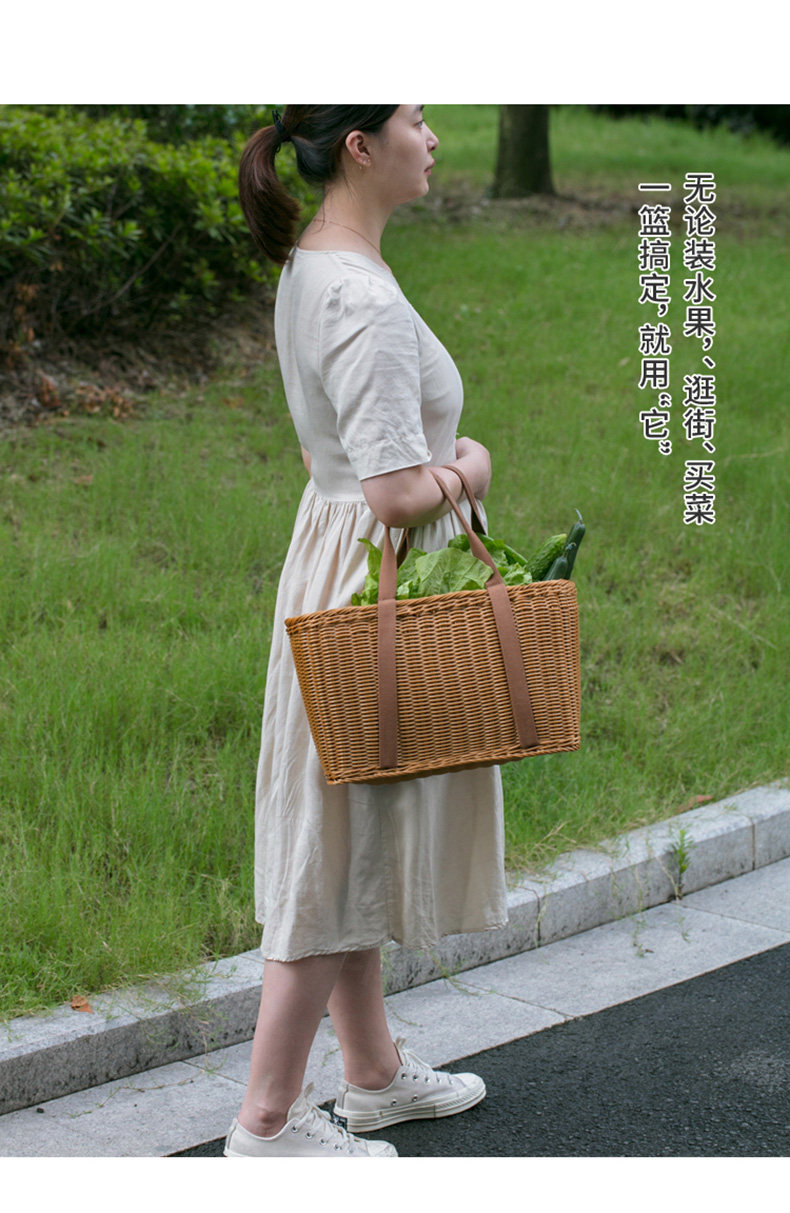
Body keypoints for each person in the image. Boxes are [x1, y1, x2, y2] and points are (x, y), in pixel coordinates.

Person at [224, 105, 507, 1158]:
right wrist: (470, 468)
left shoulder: (315, 266)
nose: (431, 139)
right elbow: (392, 491)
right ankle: (265, 1123)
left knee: (347, 835)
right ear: (360, 145)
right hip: (370, 586)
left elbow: (324, 457)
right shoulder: (361, 296)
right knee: (331, 851)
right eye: (415, 120)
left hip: (339, 567)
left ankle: (373, 1072)